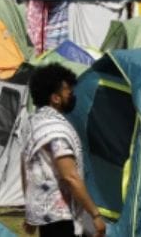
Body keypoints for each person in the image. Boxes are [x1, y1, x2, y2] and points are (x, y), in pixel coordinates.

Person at [22, 65, 106, 237]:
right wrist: (95, 215)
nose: (72, 94)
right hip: (62, 218)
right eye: (68, 90)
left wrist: (30, 211)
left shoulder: (33, 123)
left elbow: (27, 171)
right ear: (55, 98)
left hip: (46, 215)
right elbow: (70, 177)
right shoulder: (55, 131)